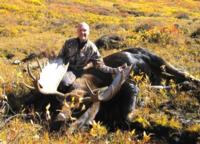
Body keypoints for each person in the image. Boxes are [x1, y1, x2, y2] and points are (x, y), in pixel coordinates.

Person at [57, 22, 126, 86]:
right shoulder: (69, 42)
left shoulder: (92, 48)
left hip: (75, 72)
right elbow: (60, 57)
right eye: (80, 30)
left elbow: (100, 65)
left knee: (64, 83)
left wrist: (115, 70)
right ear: (77, 32)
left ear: (88, 32)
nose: (82, 32)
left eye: (84, 30)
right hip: (62, 67)